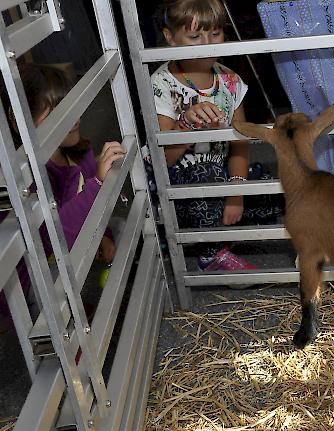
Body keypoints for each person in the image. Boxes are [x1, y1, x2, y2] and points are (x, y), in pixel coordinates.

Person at [151, 0, 273, 272]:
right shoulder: (161, 84)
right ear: (170, 37)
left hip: (221, 175)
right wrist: (185, 127)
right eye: (195, 36)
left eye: (215, 33)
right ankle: (210, 252)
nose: (208, 43)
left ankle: (214, 225)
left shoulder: (230, 80)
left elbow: (239, 142)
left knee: (272, 188)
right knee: (205, 172)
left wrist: (236, 194)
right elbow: (164, 160)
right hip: (178, 183)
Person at [0, 63, 125, 327]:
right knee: (51, 294)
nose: (74, 118)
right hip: (32, 274)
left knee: (122, 228)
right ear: (21, 121)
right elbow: (51, 236)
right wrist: (97, 184)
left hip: (66, 246)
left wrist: (104, 235)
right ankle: (67, 347)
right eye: (57, 112)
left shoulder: (77, 151)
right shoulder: (25, 177)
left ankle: (119, 302)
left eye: (72, 106)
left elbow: (90, 211)